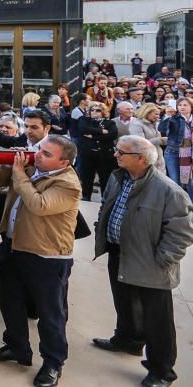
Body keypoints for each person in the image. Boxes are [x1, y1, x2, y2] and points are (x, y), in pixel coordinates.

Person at [92, 135, 193, 387]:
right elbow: (107, 204)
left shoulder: (169, 191)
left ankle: (161, 371)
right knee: (124, 301)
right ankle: (127, 340)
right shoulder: (120, 178)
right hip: (119, 251)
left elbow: (182, 232)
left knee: (157, 320)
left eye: (121, 152)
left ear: (140, 158)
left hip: (151, 263)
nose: (116, 154)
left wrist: (163, 260)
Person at [0, 135, 82, 387]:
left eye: (47, 154)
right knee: (11, 303)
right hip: (14, 246)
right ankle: (16, 347)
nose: (38, 155)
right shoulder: (32, 168)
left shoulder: (68, 183)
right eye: (40, 150)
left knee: (50, 314)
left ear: (65, 161)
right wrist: (9, 166)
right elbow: (0, 182)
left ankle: (53, 363)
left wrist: (19, 174)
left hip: (47, 256)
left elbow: (38, 204)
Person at [78, 102, 119, 201]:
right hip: (87, 153)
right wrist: (101, 132)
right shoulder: (84, 120)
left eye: (98, 110)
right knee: (87, 176)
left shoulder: (110, 123)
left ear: (103, 112)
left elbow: (112, 135)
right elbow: (83, 129)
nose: (94, 112)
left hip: (104, 154)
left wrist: (93, 136)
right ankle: (86, 196)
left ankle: (104, 197)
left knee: (104, 177)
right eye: (92, 110)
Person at [159, 97, 193, 196]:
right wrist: (167, 115)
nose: (182, 107)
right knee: (176, 182)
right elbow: (161, 129)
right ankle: (180, 207)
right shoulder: (173, 118)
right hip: (173, 152)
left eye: (185, 105)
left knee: (190, 182)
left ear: (191, 106)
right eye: (180, 105)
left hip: (191, 153)